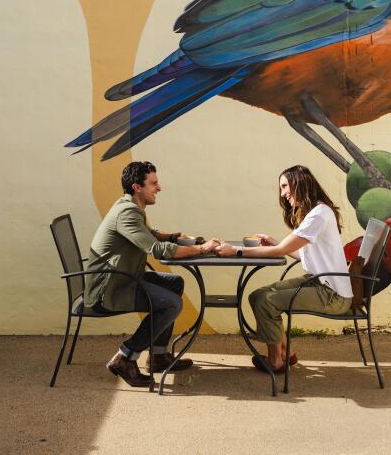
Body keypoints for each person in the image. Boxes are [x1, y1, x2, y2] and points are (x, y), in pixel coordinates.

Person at [85, 160, 222, 388]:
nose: (159, 188)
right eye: (154, 183)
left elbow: (151, 234)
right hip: (109, 290)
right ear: (137, 187)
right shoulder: (127, 213)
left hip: (124, 276)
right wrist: (201, 249)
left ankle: (158, 355)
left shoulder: (130, 207)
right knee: (172, 304)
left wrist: (173, 237)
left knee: (174, 283)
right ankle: (124, 357)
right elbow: (156, 250)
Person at [215, 165, 352, 373]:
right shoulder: (316, 212)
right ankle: (285, 353)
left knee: (265, 302)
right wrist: (275, 244)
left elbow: (281, 251)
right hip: (320, 282)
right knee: (257, 295)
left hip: (332, 294)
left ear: (300, 182)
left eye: (285, 186)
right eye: (281, 188)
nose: (283, 193)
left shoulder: (318, 215)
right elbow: (300, 254)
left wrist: (236, 250)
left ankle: (275, 362)